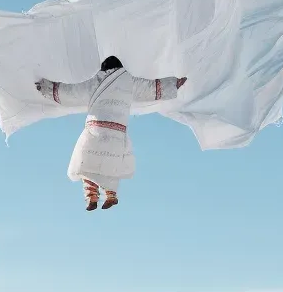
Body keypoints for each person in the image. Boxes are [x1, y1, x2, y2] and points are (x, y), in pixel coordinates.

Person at [36, 56, 186, 210]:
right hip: (117, 132)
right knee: (111, 164)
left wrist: (48, 88)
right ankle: (111, 195)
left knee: (87, 164)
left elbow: (71, 93)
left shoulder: (95, 82)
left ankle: (91, 197)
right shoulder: (129, 82)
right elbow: (151, 88)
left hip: (96, 129)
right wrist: (174, 84)